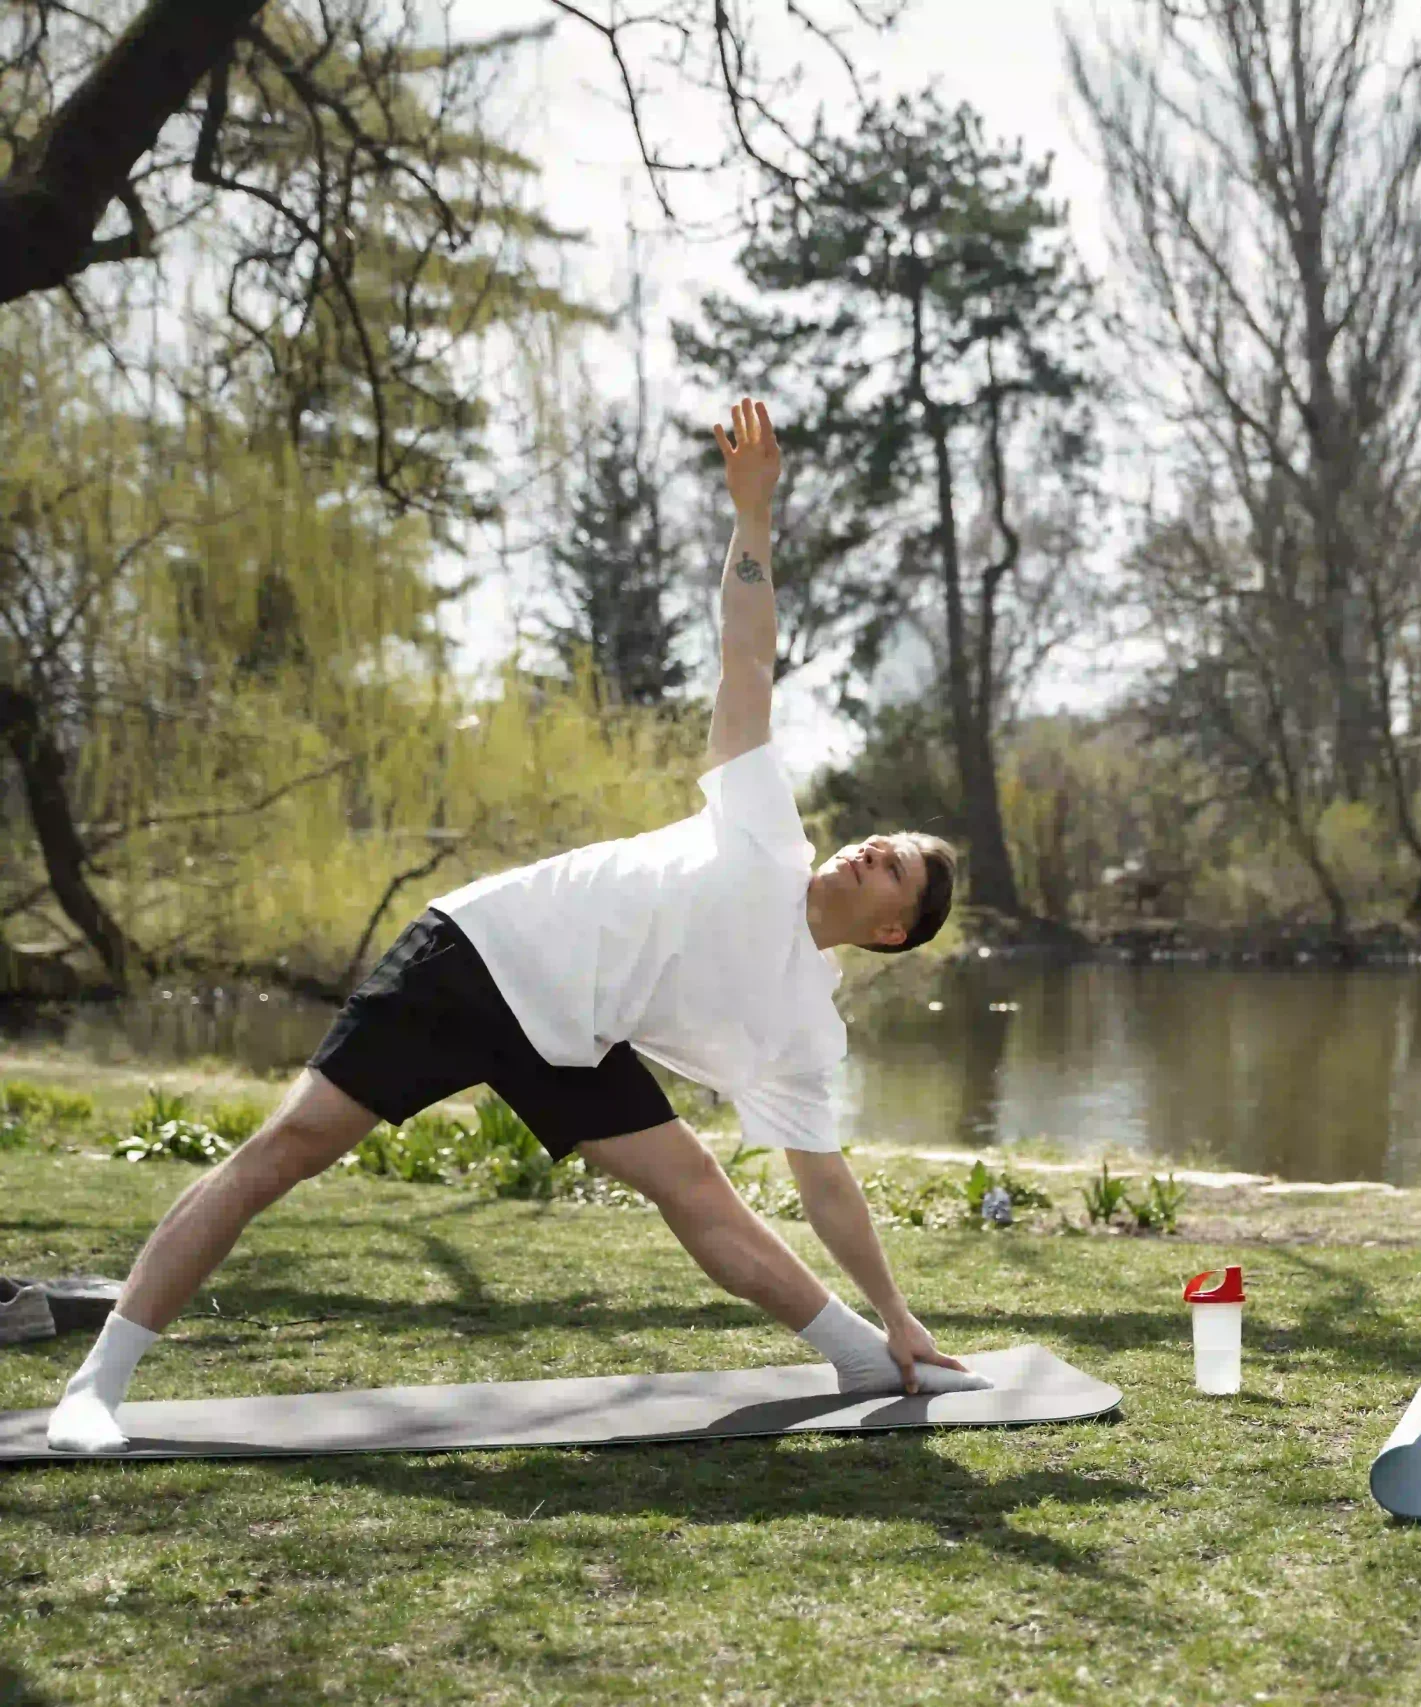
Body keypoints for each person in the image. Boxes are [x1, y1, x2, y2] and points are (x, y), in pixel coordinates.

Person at [48, 396, 988, 1456]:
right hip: (475, 958)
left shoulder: (802, 1027)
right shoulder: (764, 828)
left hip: (571, 1037)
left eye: (895, 866)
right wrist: (752, 515)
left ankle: (867, 1351)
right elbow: (746, 659)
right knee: (284, 1152)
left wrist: (903, 1309)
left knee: (697, 1188)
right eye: (882, 840)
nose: (872, 849)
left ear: (894, 932)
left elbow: (825, 1181)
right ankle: (98, 1383)